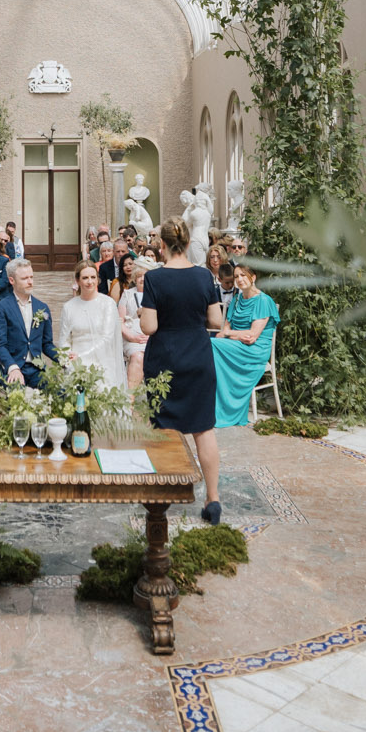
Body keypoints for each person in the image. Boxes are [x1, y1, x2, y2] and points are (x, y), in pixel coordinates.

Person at [140, 217, 225, 523]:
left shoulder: (155, 279)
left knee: (164, 428)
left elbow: (149, 327)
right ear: (189, 244)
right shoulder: (204, 277)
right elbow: (216, 322)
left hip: (165, 360)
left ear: (161, 245)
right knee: (204, 429)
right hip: (199, 358)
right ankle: (212, 498)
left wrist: (144, 313)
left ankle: (165, 494)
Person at [213, 261, 279, 428]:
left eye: (243, 275)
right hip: (236, 346)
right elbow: (226, 328)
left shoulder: (263, 301)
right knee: (211, 345)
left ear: (253, 277)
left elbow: (251, 336)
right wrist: (232, 335)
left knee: (212, 344)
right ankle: (214, 406)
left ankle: (222, 409)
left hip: (254, 351)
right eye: (236, 276)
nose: (239, 279)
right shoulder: (236, 299)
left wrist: (229, 334)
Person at [0, 257, 55, 389]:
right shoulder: (1, 307)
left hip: (37, 369)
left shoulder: (42, 307)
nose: (30, 282)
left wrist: (64, 358)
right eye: (24, 279)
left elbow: (47, 344)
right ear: (11, 280)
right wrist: (12, 367)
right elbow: (0, 345)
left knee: (59, 393)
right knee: (17, 399)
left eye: (31, 277)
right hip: (12, 367)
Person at [58, 261, 125, 387]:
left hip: (101, 360)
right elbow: (64, 339)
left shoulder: (107, 304)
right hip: (75, 363)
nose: (90, 282)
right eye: (85, 278)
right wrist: (67, 357)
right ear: (78, 281)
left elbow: (107, 338)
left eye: (93, 277)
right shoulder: (69, 307)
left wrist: (82, 356)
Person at [116, 253, 149, 388]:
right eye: (139, 276)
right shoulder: (127, 294)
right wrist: (131, 336)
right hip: (131, 337)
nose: (142, 279)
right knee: (137, 357)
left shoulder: (157, 295)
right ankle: (130, 399)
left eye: (145, 276)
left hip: (151, 338)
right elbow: (120, 320)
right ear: (135, 277)